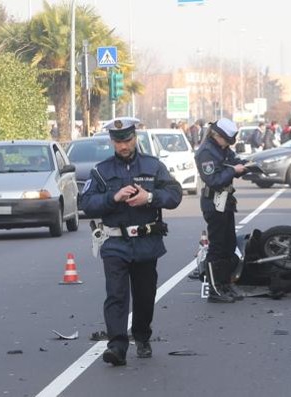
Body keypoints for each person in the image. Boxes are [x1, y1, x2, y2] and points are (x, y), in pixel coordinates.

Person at [79, 117, 183, 366]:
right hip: (114, 242)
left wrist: (150, 197)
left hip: (146, 242)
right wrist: (113, 198)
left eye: (126, 140)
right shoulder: (101, 171)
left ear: (135, 138)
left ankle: (142, 336)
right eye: (117, 141)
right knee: (116, 294)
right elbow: (86, 204)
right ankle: (117, 346)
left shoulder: (153, 166)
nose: (123, 146)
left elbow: (175, 194)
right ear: (112, 142)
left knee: (145, 295)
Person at [194, 118, 248, 303]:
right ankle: (214, 289)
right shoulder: (206, 152)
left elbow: (233, 161)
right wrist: (234, 171)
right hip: (213, 202)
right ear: (216, 135)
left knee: (228, 244)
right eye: (226, 140)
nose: (227, 144)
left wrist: (246, 166)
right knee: (217, 248)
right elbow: (214, 180)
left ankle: (225, 283)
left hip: (225, 201)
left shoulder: (222, 149)